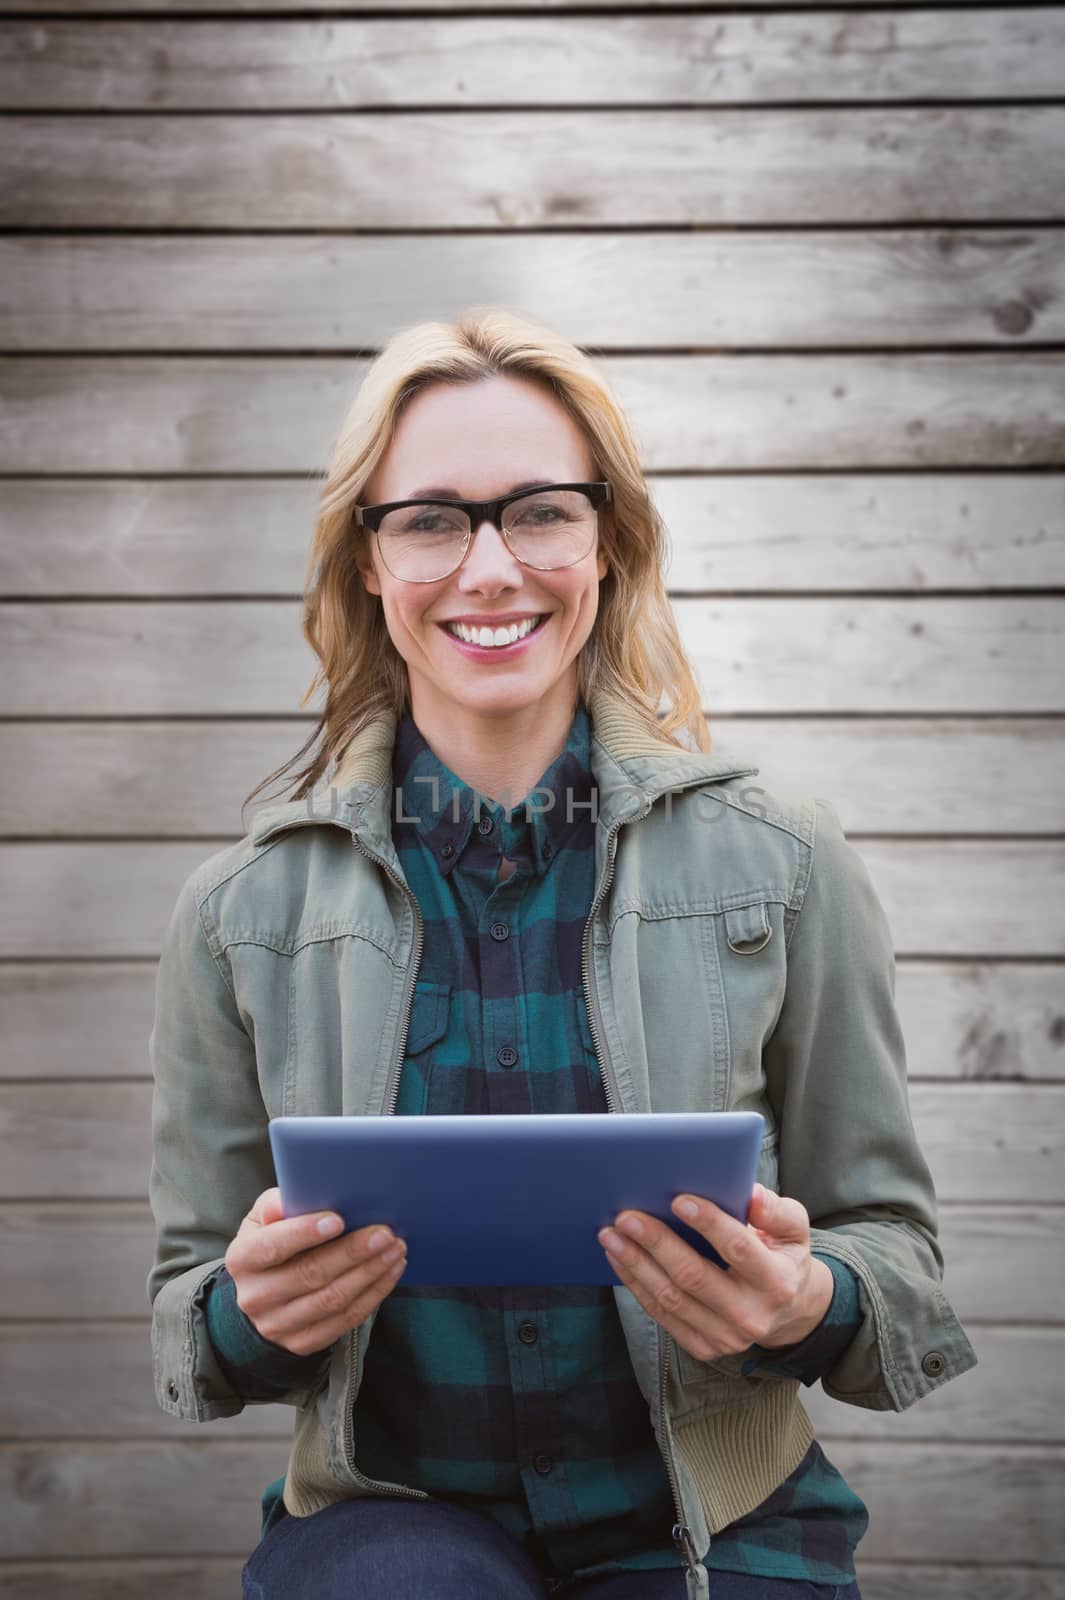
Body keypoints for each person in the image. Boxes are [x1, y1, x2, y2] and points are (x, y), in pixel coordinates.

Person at [146, 307, 977, 1600]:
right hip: (394, 1523)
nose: (488, 567)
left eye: (539, 509)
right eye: (429, 518)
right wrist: (243, 1315)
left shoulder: (786, 866)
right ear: (367, 562)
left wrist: (805, 1299)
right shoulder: (237, 914)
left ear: (607, 542)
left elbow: (898, 1270)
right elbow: (187, 1314)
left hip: (719, 1529)